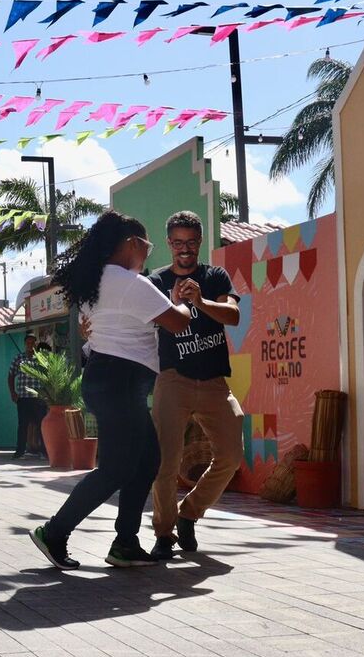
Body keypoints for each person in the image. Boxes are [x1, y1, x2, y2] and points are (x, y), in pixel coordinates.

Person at [30, 211, 190, 570]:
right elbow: (177, 323)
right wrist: (182, 300)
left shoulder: (95, 280)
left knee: (147, 459)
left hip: (111, 378)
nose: (147, 254)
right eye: (147, 246)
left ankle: (125, 543)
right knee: (117, 468)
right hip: (121, 380)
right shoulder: (129, 282)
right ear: (132, 243)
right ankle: (54, 533)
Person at [148, 211, 245, 559]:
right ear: (169, 244)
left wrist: (201, 301)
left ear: (199, 242)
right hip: (173, 380)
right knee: (165, 463)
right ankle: (164, 533)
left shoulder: (215, 276)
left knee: (232, 455)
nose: (184, 249)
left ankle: (189, 512)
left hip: (215, 382)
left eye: (190, 242)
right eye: (178, 243)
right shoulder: (156, 280)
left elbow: (233, 316)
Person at [8, 333, 47, 459]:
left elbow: (47, 377)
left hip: (38, 398)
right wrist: (13, 392)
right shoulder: (19, 358)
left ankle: (44, 452)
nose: (30, 345)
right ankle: (20, 452)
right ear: (25, 344)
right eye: (28, 342)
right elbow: (11, 375)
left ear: (35, 344)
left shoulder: (41, 359)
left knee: (42, 425)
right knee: (23, 425)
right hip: (23, 398)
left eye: (32, 342)